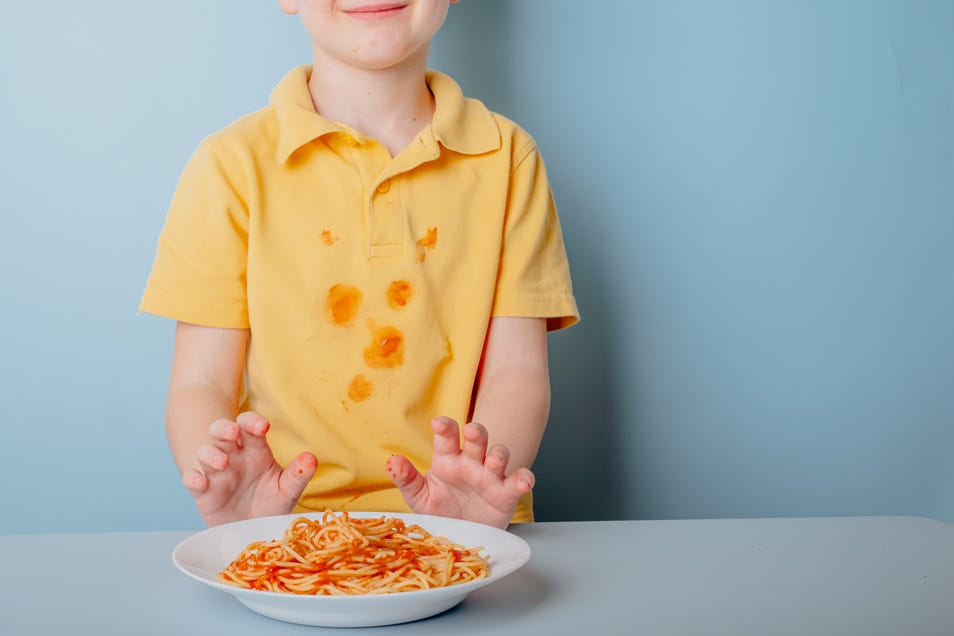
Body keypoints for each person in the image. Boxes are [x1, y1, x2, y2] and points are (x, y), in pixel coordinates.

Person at [140, 0, 578, 531]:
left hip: (467, 528)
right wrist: (224, 487)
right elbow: (199, 382)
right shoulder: (230, 166)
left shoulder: (508, 158)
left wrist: (478, 482)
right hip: (286, 528)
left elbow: (518, 370)